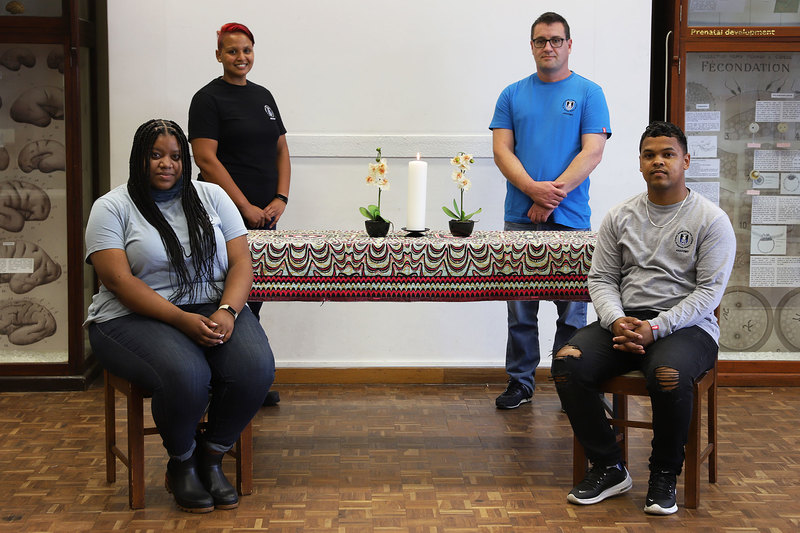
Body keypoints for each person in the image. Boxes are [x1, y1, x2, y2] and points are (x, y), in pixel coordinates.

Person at [85, 119, 275, 513]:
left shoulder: (212, 196)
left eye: (174, 156)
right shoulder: (112, 207)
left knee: (255, 368)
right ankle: (182, 461)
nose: (165, 164)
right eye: (155, 155)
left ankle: (210, 457)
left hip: (210, 306)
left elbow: (242, 263)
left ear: (185, 161)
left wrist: (228, 310)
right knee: (188, 375)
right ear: (139, 159)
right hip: (128, 316)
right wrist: (180, 319)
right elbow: (118, 282)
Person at [552, 121, 736, 515]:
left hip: (687, 327)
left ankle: (664, 474)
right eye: (650, 155)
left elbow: (709, 294)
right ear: (639, 164)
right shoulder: (620, 216)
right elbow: (601, 278)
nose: (659, 161)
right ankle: (609, 465)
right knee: (568, 363)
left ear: (686, 161)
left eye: (668, 154)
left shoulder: (711, 219)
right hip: (625, 321)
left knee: (667, 375)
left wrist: (657, 327)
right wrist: (617, 321)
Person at [489, 12, 611, 409]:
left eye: (556, 40)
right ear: (531, 46)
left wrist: (551, 196)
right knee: (520, 310)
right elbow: (502, 150)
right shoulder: (511, 94)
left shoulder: (590, 93)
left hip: (572, 222)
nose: (548, 47)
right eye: (541, 41)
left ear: (569, 45)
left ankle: (571, 385)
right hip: (519, 218)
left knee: (573, 313)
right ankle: (521, 383)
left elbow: (593, 151)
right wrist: (531, 192)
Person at [188, 22, 291, 323]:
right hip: (222, 215)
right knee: (222, 296)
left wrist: (281, 198)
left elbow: (281, 149)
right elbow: (205, 160)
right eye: (232, 51)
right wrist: (244, 207)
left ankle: (245, 367)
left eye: (246, 50)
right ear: (218, 55)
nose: (241, 56)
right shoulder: (207, 99)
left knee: (255, 296)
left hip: (265, 217)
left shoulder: (263, 96)